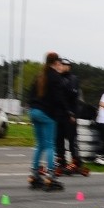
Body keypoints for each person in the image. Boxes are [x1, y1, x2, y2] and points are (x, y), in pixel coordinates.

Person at [26, 52, 70, 191]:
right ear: (56, 63)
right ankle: (51, 176)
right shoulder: (55, 77)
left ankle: (34, 174)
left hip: (34, 111)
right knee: (50, 145)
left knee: (40, 144)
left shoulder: (40, 76)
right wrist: (67, 111)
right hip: (47, 114)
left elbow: (30, 94)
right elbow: (59, 98)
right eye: (59, 63)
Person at [54, 58, 89, 176]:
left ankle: (75, 161)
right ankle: (61, 160)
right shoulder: (57, 78)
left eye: (66, 65)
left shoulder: (73, 79)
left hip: (70, 115)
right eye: (62, 65)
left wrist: (73, 114)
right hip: (59, 114)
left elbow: (73, 95)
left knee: (72, 139)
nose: (64, 67)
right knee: (58, 139)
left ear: (69, 67)